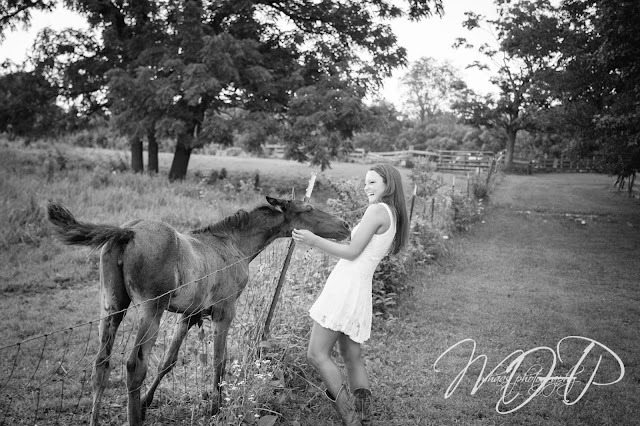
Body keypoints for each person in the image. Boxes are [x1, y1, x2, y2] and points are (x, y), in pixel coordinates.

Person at [292, 163, 409, 426]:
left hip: (346, 287)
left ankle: (351, 417)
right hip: (358, 287)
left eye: (372, 183)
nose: (366, 187)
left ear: (387, 185)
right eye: (365, 182)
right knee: (350, 353)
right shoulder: (391, 213)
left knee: (316, 354)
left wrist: (313, 240)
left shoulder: (377, 210)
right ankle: (362, 414)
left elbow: (352, 252)